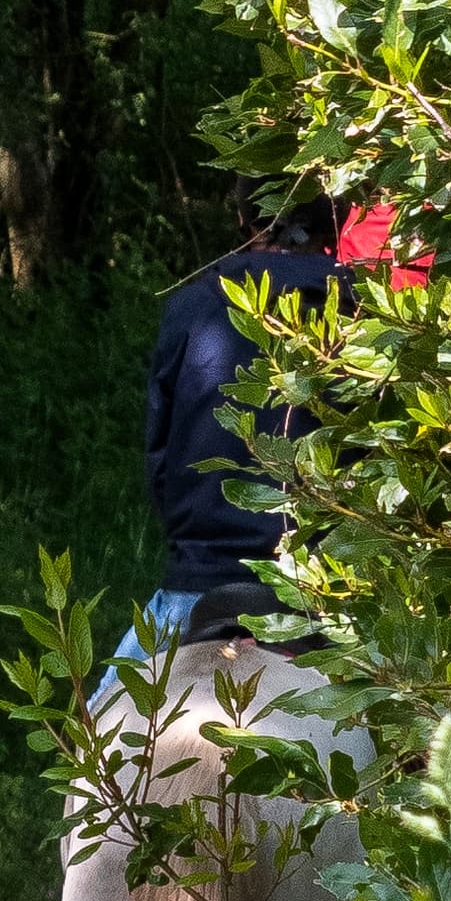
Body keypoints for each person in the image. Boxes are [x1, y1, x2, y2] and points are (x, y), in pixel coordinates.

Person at [122, 187, 345, 670]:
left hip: (198, 580)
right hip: (325, 592)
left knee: (86, 734)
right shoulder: (371, 314)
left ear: (245, 218)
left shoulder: (191, 306)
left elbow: (160, 464)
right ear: (337, 222)